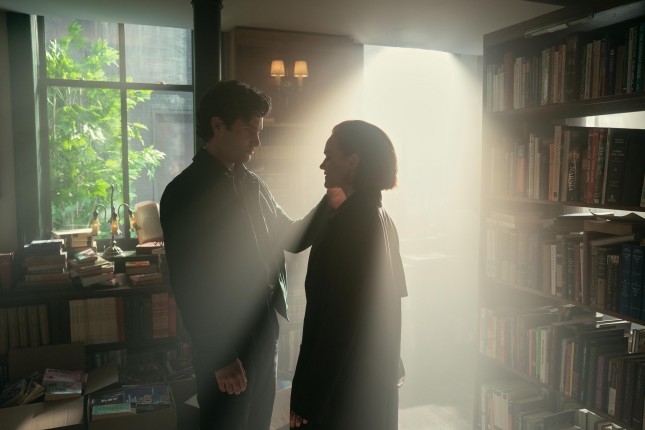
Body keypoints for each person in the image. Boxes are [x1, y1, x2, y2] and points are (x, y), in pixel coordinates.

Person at [160, 80, 296, 430]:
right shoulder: (183, 192)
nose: (257, 141)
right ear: (218, 125)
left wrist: (333, 203)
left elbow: (290, 233)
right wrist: (220, 355)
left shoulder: (254, 184)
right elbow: (188, 283)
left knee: (259, 423)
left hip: (264, 329)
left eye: (259, 132)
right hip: (224, 339)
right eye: (250, 131)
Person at [289, 120, 408, 429]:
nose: (322, 165)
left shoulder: (353, 226)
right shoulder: (379, 217)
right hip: (367, 385)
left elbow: (337, 324)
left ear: (353, 161)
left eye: (330, 156)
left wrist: (308, 402)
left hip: (344, 392)